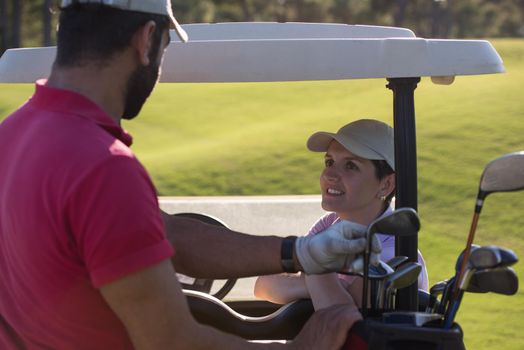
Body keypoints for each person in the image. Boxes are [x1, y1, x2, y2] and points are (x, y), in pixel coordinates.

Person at [0, 1, 371, 349]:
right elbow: (172, 340)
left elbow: (164, 233)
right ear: (146, 40)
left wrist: (299, 252)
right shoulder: (104, 169)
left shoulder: (12, 133)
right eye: (165, 46)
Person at [254, 119, 429, 311]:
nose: (329, 175)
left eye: (351, 166)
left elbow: (341, 314)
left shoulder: (394, 251)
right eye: (329, 162)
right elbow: (264, 285)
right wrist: (321, 280)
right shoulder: (330, 223)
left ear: (386, 184)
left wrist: (309, 274)